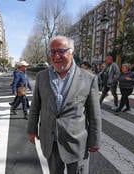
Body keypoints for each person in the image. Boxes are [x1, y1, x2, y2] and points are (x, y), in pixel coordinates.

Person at [27, 36, 101, 173]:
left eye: (61, 51)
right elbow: (35, 106)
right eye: (53, 52)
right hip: (51, 140)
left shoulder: (88, 78)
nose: (56, 56)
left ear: (72, 52)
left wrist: (95, 140)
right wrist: (31, 129)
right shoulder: (42, 77)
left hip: (77, 143)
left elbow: (94, 114)